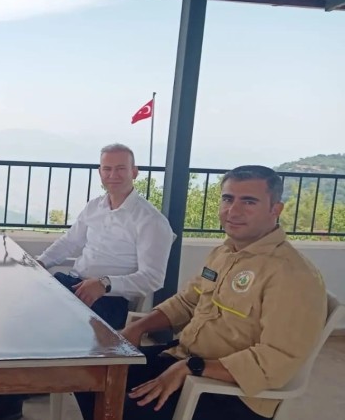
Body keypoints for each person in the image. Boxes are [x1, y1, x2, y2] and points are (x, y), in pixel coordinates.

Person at [81, 165, 327, 420]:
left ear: (275, 209)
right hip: (184, 358)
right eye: (228, 199)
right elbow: (187, 302)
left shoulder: (292, 275)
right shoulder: (225, 253)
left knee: (120, 410)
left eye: (249, 202)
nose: (233, 211)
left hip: (231, 392)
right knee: (90, 374)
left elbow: (277, 359)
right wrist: (137, 328)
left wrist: (193, 368)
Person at [0, 143, 174, 420]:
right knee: (13, 313)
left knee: (39, 328)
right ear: (100, 172)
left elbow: (152, 278)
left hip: (108, 299)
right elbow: (70, 242)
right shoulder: (95, 206)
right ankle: (12, 396)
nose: (113, 175)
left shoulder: (150, 220)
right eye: (107, 169)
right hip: (73, 285)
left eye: (120, 169)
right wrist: (41, 263)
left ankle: (20, 396)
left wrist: (105, 283)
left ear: (134, 172)